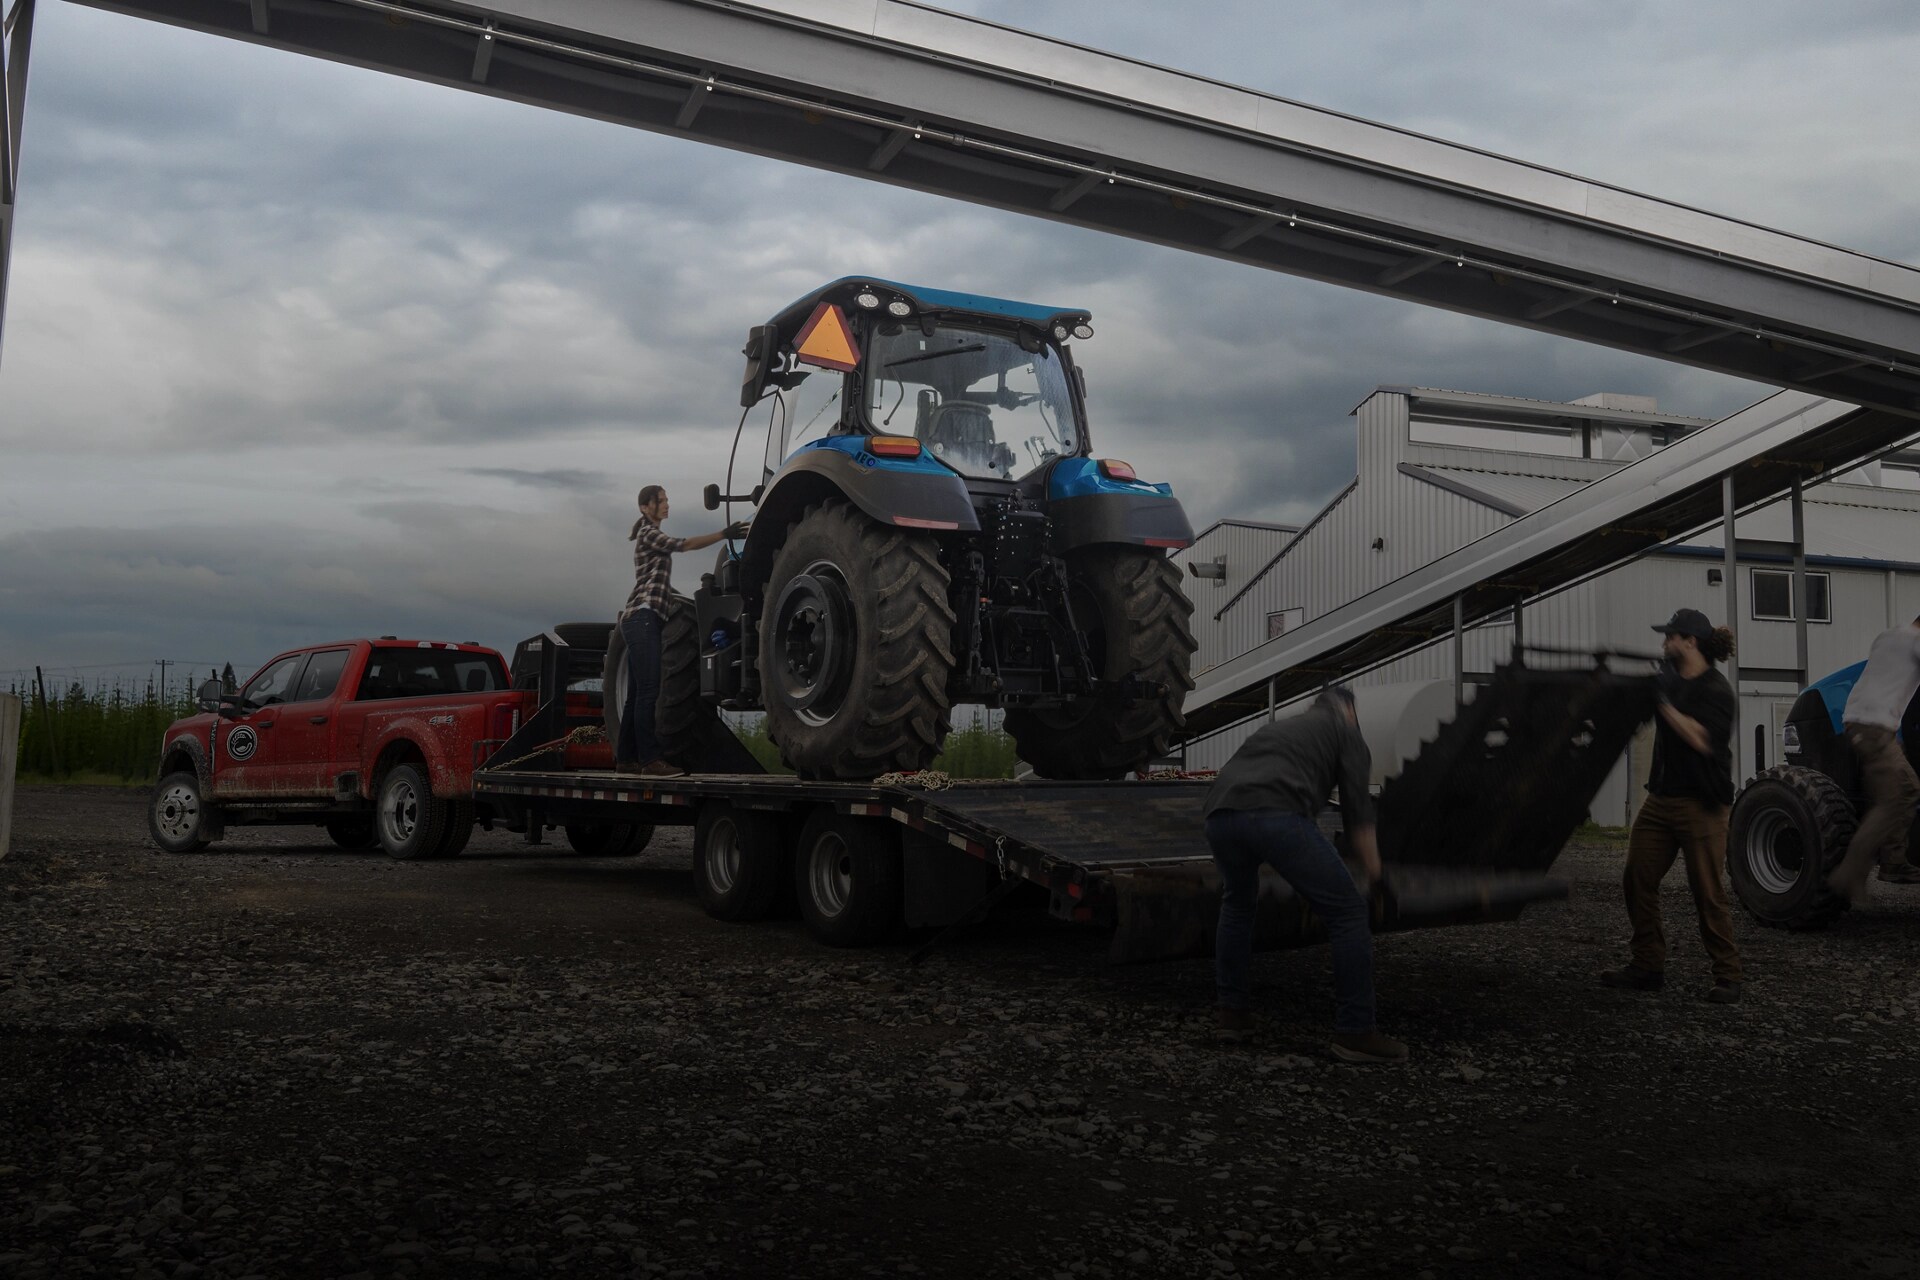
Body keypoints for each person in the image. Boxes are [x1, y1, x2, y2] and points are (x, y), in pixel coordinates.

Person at [1201, 686, 1406, 1064]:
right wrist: (1378, 878)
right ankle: (1356, 1031)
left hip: (1219, 814)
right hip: (1275, 813)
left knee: (1238, 904)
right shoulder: (1347, 733)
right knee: (1347, 912)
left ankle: (1232, 1014)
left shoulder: (1279, 728)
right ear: (1349, 712)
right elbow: (1358, 815)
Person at [1602, 607, 1744, 1003]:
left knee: (1708, 892)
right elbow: (1634, 705)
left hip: (1702, 805)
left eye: (1669, 637)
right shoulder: (1667, 678)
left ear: (1690, 642)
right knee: (1637, 877)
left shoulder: (1716, 691)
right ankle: (1647, 966)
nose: (1663, 643)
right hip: (1661, 800)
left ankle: (1728, 976)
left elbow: (1700, 739)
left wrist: (1662, 702)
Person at [616, 485, 744, 776]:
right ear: (645, 507)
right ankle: (650, 760)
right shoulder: (650, 533)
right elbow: (683, 545)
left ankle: (625, 760)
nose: (667, 505)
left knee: (637, 694)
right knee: (649, 691)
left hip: (645, 618)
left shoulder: (649, 534)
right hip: (642, 617)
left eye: (667, 500)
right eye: (661, 501)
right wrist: (723, 535)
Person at [1826, 616, 1920, 903]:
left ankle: (1894, 861)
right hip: (1874, 728)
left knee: (1907, 786)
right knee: (1891, 801)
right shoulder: (1916, 642)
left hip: (1862, 724)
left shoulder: (1889, 636)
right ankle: (1849, 874)